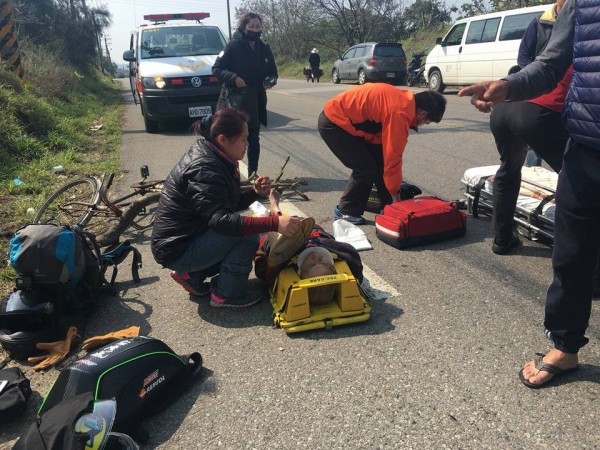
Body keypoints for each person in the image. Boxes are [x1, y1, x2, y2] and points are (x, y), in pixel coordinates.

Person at [458, 0, 599, 388]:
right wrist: (509, 85)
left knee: (509, 171)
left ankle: (504, 238)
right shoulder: (578, 5)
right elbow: (550, 62)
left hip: (546, 120)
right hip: (586, 144)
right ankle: (565, 347)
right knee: (570, 251)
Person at [151, 108, 302, 308]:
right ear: (222, 139)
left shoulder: (213, 156)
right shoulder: (205, 168)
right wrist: (275, 223)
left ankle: (192, 275)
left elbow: (221, 204)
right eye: (243, 139)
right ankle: (226, 294)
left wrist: (253, 193)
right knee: (246, 235)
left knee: (242, 228)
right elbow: (220, 220)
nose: (247, 145)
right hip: (177, 249)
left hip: (184, 240)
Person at [488, 0, 571, 255]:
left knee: (509, 169)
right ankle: (583, 264)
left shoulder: (552, 55)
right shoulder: (576, 55)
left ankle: (502, 239)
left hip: (504, 109)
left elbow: (529, 64)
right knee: (575, 182)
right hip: (536, 114)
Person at [318, 84, 447, 225]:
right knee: (366, 168)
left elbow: (386, 159)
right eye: (425, 122)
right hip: (334, 123)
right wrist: (396, 196)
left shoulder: (404, 100)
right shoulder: (400, 112)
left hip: (348, 122)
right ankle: (346, 212)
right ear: (422, 114)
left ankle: (387, 206)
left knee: (380, 162)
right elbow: (393, 158)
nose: (421, 124)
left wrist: (392, 199)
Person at [212, 12, 278, 178]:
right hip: (234, 100)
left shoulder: (264, 48)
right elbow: (217, 69)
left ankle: (252, 175)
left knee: (253, 138)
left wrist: (270, 80)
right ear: (244, 27)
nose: (255, 30)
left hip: (255, 100)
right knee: (231, 138)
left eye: (258, 27)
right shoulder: (233, 46)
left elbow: (273, 72)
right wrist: (233, 78)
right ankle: (226, 173)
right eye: (251, 27)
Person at [517, 0, 566, 168]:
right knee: (535, 139)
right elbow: (523, 56)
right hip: (541, 88)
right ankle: (533, 172)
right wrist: (537, 78)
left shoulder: (578, 22)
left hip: (567, 92)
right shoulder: (539, 22)